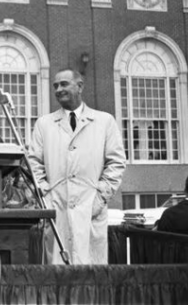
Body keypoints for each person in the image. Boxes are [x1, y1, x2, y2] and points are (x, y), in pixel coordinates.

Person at [28, 68, 126, 265]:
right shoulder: (44, 124)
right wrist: (45, 197)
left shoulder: (104, 121)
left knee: (90, 274)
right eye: (55, 85)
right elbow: (33, 164)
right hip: (56, 207)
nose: (58, 89)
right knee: (57, 271)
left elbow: (116, 162)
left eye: (64, 84)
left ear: (80, 86)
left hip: (90, 207)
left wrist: (100, 197)